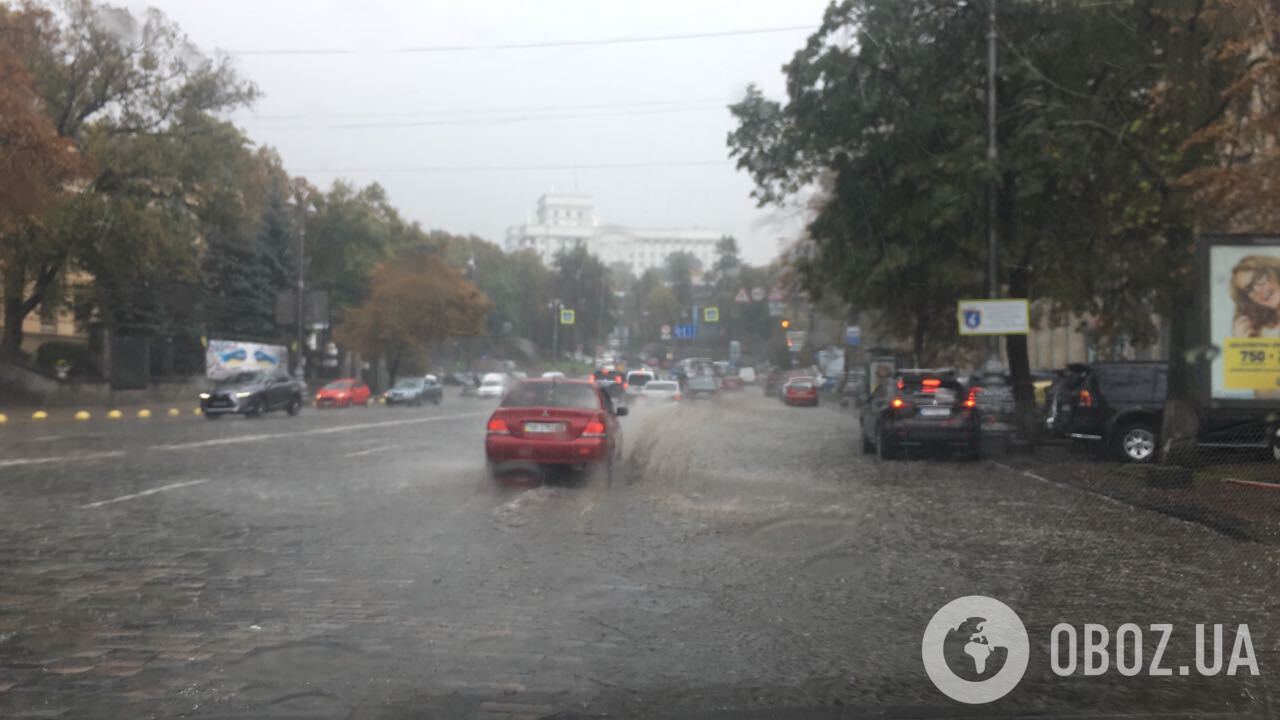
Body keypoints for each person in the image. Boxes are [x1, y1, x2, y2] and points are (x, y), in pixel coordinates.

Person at [1229, 255, 1280, 337]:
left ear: (1276, 272)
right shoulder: (1262, 332)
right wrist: (1240, 344)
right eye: (1249, 289)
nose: (1257, 290)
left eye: (1258, 277)